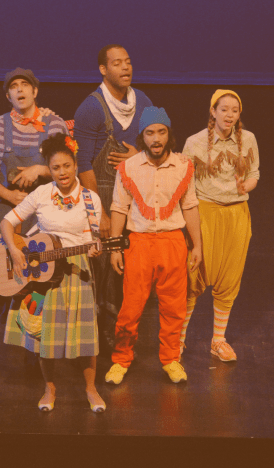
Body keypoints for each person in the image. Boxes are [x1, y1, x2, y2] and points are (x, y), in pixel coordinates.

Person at [1, 133, 106, 412]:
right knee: (45, 334)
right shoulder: (41, 194)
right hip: (43, 269)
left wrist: (95, 248)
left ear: (74, 165)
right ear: (50, 168)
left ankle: (91, 389)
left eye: (67, 166)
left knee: (85, 335)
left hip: (76, 268)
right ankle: (49, 389)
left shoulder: (90, 198)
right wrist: (14, 250)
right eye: (56, 167)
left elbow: (93, 237)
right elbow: (6, 222)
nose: (62, 173)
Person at [0, 68, 69, 363]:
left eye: (25, 85)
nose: (19, 90)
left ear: (35, 91)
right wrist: (10, 196)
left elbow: (65, 167)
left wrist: (40, 169)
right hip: (4, 210)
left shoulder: (54, 124)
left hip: (42, 214)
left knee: (39, 278)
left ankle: (35, 349)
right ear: (8, 95)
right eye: (13, 87)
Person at [105, 107, 202, 385]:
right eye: (150, 133)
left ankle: (171, 359)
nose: (156, 138)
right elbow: (119, 208)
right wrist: (114, 247)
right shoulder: (129, 168)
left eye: (161, 132)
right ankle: (122, 358)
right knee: (131, 308)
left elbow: (191, 206)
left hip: (173, 242)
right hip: (139, 243)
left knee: (174, 308)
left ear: (169, 134)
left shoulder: (183, 165)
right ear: (142, 136)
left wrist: (197, 246)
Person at [73, 45, 153, 345]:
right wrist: (100, 212)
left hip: (134, 197)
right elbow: (82, 164)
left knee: (129, 267)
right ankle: (97, 332)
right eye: (117, 63)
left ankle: (122, 328)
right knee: (101, 267)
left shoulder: (142, 101)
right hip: (103, 195)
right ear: (103, 70)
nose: (125, 68)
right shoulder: (91, 108)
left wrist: (139, 152)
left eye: (128, 62)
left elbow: (160, 137)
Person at [180, 90, 260, 362]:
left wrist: (246, 185)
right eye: (224, 109)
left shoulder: (247, 139)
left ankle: (218, 340)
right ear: (212, 111)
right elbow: (184, 184)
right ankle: (178, 340)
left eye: (235, 111)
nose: (229, 115)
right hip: (206, 213)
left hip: (237, 214)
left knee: (229, 279)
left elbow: (254, 173)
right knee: (193, 277)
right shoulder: (194, 142)